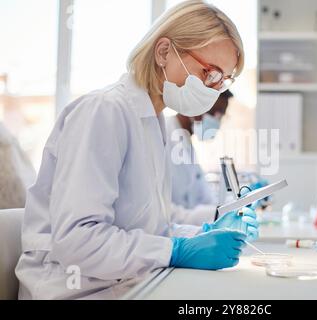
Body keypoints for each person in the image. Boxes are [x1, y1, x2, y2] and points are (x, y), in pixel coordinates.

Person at [15, 0, 259, 300]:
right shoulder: (103, 112)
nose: (212, 90)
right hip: (72, 290)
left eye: (221, 80)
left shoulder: (150, 120)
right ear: (164, 52)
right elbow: (77, 240)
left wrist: (202, 232)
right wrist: (178, 250)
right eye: (209, 73)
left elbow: (147, 230)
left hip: (124, 284)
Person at [166, 90, 233, 224]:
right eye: (214, 112)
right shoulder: (165, 136)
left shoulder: (186, 142)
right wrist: (217, 214)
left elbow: (206, 199)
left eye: (221, 116)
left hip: (186, 230)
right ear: (196, 105)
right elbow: (164, 211)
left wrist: (236, 205)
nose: (217, 121)